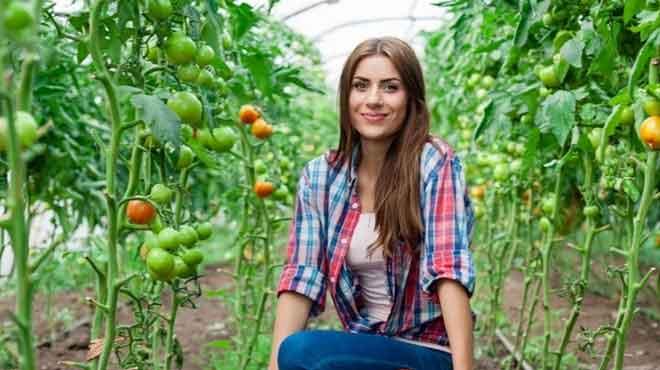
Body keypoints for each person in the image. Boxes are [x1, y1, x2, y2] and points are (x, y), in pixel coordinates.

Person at [267, 37, 476, 370]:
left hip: (428, 350)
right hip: (369, 343)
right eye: (361, 86)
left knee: (307, 354)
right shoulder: (320, 177)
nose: (373, 100)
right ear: (347, 97)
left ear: (411, 98)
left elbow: (447, 270)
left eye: (390, 87)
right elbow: (301, 279)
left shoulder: (433, 162)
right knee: (292, 351)